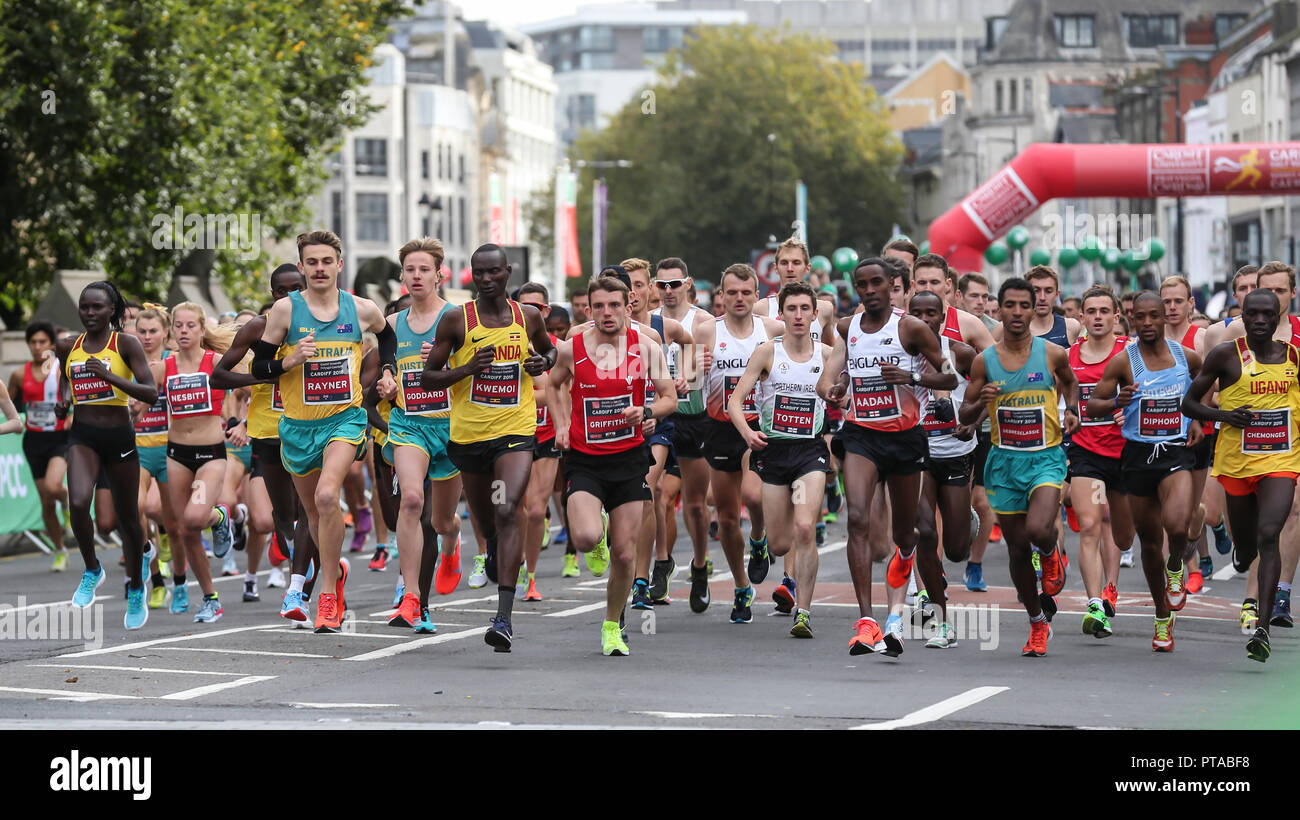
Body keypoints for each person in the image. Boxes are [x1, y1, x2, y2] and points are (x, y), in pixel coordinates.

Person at [253, 230, 392, 633]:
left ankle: (327, 591)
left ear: (339, 265)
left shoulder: (361, 308)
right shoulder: (284, 312)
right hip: (298, 427)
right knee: (313, 513)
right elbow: (258, 369)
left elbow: (386, 336)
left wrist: (387, 370)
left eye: (326, 261)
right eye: (311, 262)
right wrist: (289, 360)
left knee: (328, 495)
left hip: (344, 420)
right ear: (301, 267)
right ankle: (335, 577)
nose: (319, 268)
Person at [421, 243, 556, 652]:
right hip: (469, 436)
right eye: (479, 273)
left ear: (508, 272)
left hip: (515, 430)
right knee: (485, 520)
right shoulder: (455, 320)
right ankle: (495, 547)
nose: (486, 279)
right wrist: (467, 369)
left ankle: (503, 618)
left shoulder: (527, 316)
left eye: (494, 272)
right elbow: (428, 378)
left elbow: (548, 348)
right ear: (471, 275)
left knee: (507, 508)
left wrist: (542, 363)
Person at [820, 257, 956, 657]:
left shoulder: (910, 327)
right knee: (857, 518)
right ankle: (866, 620)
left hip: (905, 439)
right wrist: (834, 388)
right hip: (862, 436)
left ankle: (906, 562)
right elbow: (830, 376)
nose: (869, 290)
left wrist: (912, 377)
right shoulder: (848, 327)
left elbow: (948, 376)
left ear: (893, 284)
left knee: (905, 533)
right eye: (861, 284)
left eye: (876, 283)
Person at [546, 275, 677, 655]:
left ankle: (610, 625)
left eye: (614, 305)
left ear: (629, 303)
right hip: (585, 460)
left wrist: (647, 410)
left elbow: (669, 396)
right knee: (586, 538)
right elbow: (554, 385)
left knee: (624, 555)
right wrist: (561, 425)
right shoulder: (573, 348)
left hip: (629, 458)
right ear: (588, 308)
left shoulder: (646, 347)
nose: (606, 313)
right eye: (598, 306)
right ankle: (597, 527)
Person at [958, 277, 1079, 657]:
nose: (1016, 312)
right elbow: (965, 413)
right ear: (1000, 309)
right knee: (1015, 549)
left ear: (1033, 309)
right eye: (1008, 305)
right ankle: (1036, 621)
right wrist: (982, 401)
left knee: (1040, 528)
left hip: (1045, 456)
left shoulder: (1052, 353)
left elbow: (1071, 384)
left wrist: (1072, 409)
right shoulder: (985, 360)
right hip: (1004, 461)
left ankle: (1050, 554)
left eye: (1023, 305)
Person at [1182, 288, 1300, 662]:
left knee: (1270, 534)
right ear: (1243, 317)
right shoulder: (1224, 356)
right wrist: (1224, 417)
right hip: (1236, 463)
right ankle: (1239, 549)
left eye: (1269, 314)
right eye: (1254, 314)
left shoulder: (1294, 357)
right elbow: (1189, 402)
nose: (1262, 320)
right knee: (1248, 547)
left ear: (1280, 314)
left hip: (1281, 459)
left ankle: (1262, 627)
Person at [1087, 291, 1202, 652]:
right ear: (1131, 320)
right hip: (1137, 457)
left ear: (1164, 318)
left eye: (1156, 316)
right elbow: (1092, 406)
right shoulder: (1124, 361)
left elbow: (1207, 383)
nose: (1149, 322)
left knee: (1178, 525)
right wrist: (1114, 402)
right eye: (1142, 317)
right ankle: (1162, 616)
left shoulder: (1186, 356)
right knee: (1148, 543)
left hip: (1175, 453)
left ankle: (1175, 567)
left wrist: (1197, 415)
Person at [212, 265, 320, 625]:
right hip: (268, 434)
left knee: (310, 511)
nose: (288, 297)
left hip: (311, 430)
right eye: (280, 291)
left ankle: (301, 588)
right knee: (283, 517)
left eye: (296, 289)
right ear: (272, 294)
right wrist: (264, 373)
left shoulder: (323, 325)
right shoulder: (259, 327)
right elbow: (218, 376)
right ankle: (319, 565)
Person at [728, 281, 831, 638]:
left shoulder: (829, 355)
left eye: (805, 309)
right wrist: (747, 433)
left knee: (805, 528)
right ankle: (761, 544)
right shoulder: (767, 353)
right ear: (782, 314)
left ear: (815, 315)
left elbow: (845, 395)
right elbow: (735, 402)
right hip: (772, 452)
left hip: (809, 453)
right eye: (792, 309)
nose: (799, 315)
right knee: (780, 543)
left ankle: (803, 611)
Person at [56, 281, 159, 629]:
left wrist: (111, 376)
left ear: (111, 310)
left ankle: (135, 587)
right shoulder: (68, 345)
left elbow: (150, 391)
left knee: (129, 519)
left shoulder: (125, 343)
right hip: (83, 434)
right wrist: (63, 399)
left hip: (119, 436)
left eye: (97, 307)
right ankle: (92, 569)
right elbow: (64, 376)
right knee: (78, 502)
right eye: (84, 307)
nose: (89, 313)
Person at [378, 238, 464, 633]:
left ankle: (451, 547)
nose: (416, 276)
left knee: (443, 521)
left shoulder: (458, 318)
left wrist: (448, 361)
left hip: (452, 427)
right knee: (411, 501)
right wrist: (388, 383)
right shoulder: (392, 325)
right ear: (402, 276)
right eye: (410, 270)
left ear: (439, 275)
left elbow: (474, 371)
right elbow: (386, 369)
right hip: (408, 425)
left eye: (424, 269)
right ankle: (411, 596)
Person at [1220, 262, 1300, 631]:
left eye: (1282, 291)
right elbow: (1208, 386)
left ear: (1292, 294)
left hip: (1288, 446)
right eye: (1267, 290)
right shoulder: (1236, 333)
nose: (1275, 297)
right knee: (1250, 536)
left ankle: (1273, 595)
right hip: (1240, 449)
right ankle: (1253, 587)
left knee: (1288, 516)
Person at [705, 263, 785, 623]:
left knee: (753, 497)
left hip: (758, 426)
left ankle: (760, 538)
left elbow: (807, 353)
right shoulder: (707, 331)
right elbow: (688, 382)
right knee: (725, 518)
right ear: (721, 296)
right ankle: (741, 587)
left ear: (757, 295)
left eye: (746, 292)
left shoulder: (773, 330)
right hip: (721, 427)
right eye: (731, 292)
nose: (739, 299)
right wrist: (690, 372)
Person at [152, 303, 238, 623]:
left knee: (194, 516)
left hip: (210, 455)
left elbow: (252, 379)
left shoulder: (214, 363)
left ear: (202, 330)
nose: (184, 331)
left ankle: (218, 517)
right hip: (177, 455)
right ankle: (210, 598)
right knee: (185, 528)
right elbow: (131, 377)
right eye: (178, 326)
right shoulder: (164, 366)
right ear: (172, 331)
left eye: (190, 326)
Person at [620, 259, 693, 609]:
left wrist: (685, 378)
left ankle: (642, 577)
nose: (633, 293)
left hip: (656, 421)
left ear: (650, 289)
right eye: (627, 285)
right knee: (625, 500)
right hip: (615, 426)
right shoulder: (602, 329)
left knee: (647, 490)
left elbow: (690, 343)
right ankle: (643, 560)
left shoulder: (665, 328)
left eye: (638, 285)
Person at [907, 289, 978, 648]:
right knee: (923, 533)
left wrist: (972, 421)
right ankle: (941, 621)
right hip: (917, 455)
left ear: (943, 314)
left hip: (955, 453)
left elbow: (987, 389)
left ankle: (966, 522)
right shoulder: (900, 355)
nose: (924, 319)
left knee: (955, 549)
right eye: (916, 313)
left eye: (931, 313)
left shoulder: (960, 352)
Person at [1067, 286, 1134, 637]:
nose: (1097, 317)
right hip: (1086, 453)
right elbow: (1061, 400)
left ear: (1116, 317)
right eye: (1090, 311)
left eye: (1104, 311)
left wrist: (1131, 414)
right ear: (1081, 317)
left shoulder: (1131, 353)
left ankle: (1112, 585)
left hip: (1125, 453)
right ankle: (1095, 604)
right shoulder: (1068, 357)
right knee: (1090, 525)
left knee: (1122, 536)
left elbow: (1152, 393)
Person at [651, 257, 716, 610]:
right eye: (662, 285)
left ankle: (701, 565)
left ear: (688, 284)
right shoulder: (649, 321)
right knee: (657, 493)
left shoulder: (703, 322)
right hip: (662, 419)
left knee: (694, 502)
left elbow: (708, 367)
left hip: (694, 418)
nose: (668, 291)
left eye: (674, 284)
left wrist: (692, 374)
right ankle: (661, 564)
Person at [1160, 275, 1215, 595]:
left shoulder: (1202, 337)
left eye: (1178, 301)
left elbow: (1212, 381)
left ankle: (1196, 535)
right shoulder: (1152, 337)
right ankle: (1183, 570)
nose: (1171, 307)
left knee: (1193, 512)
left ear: (1191, 304)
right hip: (1161, 435)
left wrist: (1196, 414)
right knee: (1170, 511)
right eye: (1166, 301)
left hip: (1197, 433)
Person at [10, 321, 73, 571]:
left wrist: (72, 416)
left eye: (42, 342)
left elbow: (79, 397)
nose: (37, 347)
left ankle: (66, 501)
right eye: (33, 342)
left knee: (53, 486)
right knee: (46, 501)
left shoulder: (60, 370)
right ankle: (60, 550)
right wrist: (15, 419)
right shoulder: (18, 374)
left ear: (51, 345)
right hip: (34, 441)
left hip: (59, 438)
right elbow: (10, 403)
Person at [129, 306, 179, 609]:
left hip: (171, 446)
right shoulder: (129, 361)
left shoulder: (172, 363)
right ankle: (157, 580)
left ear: (165, 333)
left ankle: (168, 540)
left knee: (170, 519)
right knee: (138, 508)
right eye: (142, 331)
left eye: (153, 332)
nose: (147, 337)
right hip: (136, 446)